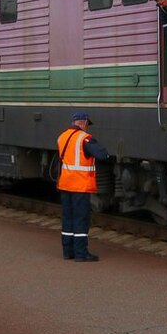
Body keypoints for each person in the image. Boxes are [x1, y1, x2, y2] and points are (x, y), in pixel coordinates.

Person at [57, 111, 110, 262]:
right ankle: (81, 253)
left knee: (68, 218)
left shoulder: (62, 137)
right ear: (83, 122)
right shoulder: (85, 139)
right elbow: (102, 155)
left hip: (65, 183)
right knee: (81, 218)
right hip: (79, 185)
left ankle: (68, 252)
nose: (87, 127)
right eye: (87, 124)